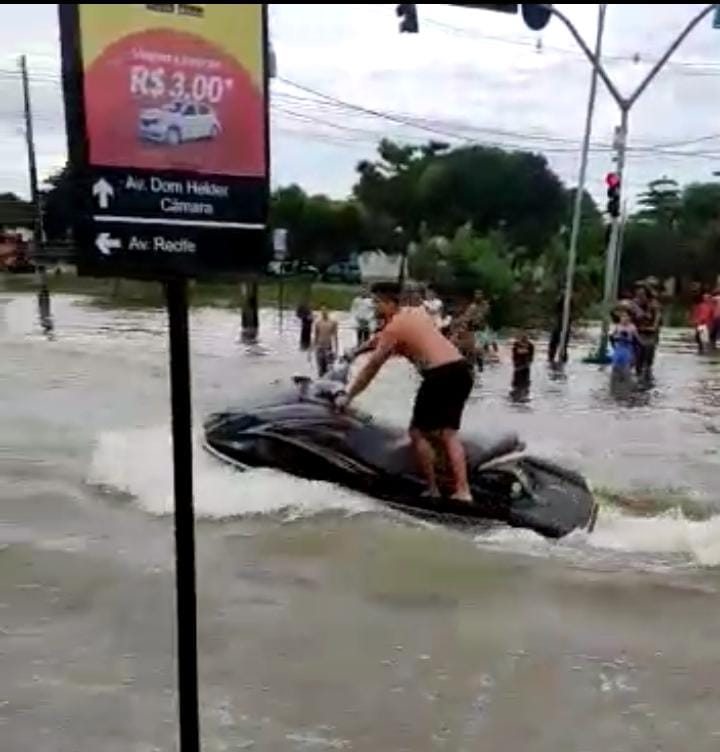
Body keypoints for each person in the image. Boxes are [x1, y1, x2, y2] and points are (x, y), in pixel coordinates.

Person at [338, 282, 474, 502]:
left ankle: (433, 489)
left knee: (418, 433)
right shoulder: (416, 313)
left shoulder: (395, 328)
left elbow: (372, 368)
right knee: (447, 433)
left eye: (377, 303)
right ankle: (462, 489)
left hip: (439, 375)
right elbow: (381, 340)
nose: (374, 307)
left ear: (390, 303)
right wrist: (358, 350)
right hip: (461, 371)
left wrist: (349, 396)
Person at [630, 284, 661, 380]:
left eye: (642, 295)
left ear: (647, 296)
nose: (639, 297)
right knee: (636, 360)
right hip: (637, 334)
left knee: (647, 356)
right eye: (637, 295)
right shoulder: (632, 305)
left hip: (650, 335)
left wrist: (649, 328)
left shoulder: (654, 306)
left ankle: (647, 372)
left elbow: (656, 325)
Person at [610, 309, 639, 374]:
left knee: (626, 367)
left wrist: (635, 353)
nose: (624, 318)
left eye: (626, 316)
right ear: (620, 318)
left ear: (629, 318)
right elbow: (611, 337)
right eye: (622, 316)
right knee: (615, 367)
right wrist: (615, 343)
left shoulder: (632, 327)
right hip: (619, 348)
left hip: (628, 348)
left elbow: (637, 340)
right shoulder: (617, 326)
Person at [312, 307, 339, 378]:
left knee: (328, 369)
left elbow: (335, 337)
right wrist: (311, 350)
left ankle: (327, 384)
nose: (324, 312)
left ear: (328, 311)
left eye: (325, 310)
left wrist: (336, 350)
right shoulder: (318, 323)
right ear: (321, 312)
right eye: (322, 311)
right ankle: (321, 383)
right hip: (319, 348)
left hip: (328, 348)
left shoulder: (333, 322)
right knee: (320, 369)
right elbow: (315, 337)